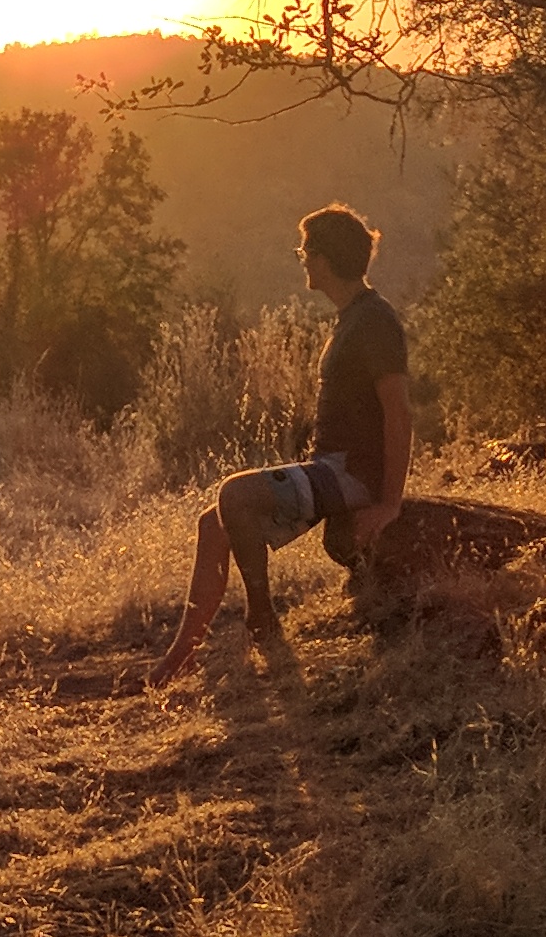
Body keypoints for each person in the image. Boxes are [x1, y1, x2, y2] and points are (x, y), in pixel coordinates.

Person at [152, 204, 409, 687]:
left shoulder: (375, 321)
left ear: (325, 258)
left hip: (352, 474)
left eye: (306, 252)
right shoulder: (352, 317)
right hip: (330, 467)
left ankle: (263, 621)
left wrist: (389, 502)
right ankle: (181, 654)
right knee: (213, 524)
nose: (303, 261)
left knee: (235, 494)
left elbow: (400, 412)